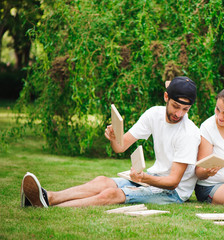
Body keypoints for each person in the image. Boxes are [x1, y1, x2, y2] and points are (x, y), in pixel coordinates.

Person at [21, 76, 200, 207]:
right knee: (102, 181)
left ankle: (46, 206)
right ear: (166, 97)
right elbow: (120, 148)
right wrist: (115, 138)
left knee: (111, 193)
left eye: (185, 109)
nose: (179, 114)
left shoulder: (189, 132)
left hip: (173, 193)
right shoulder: (154, 114)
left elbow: (173, 182)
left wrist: (144, 177)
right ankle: (48, 197)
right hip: (152, 179)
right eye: (176, 106)